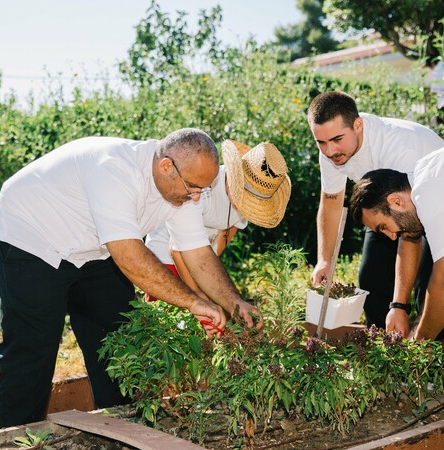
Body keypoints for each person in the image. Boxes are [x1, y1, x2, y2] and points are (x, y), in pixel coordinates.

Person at [0, 128, 263, 429]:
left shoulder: (181, 191)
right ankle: (9, 438)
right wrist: (193, 302)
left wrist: (235, 303)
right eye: (192, 187)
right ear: (166, 167)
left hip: (90, 249)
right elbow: (130, 258)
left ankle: (119, 430)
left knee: (120, 341)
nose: (196, 197)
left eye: (202, 189)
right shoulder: (114, 171)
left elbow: (199, 254)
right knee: (32, 354)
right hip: (30, 237)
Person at [307, 90, 443, 335]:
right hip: (384, 208)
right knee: (371, 281)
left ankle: (427, 356)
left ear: (358, 125)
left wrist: (400, 305)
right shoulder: (331, 149)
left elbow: (408, 232)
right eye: (321, 142)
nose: (329, 151)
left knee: (429, 291)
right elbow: (330, 201)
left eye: (337, 139)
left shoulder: (399, 149)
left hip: (427, 207)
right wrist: (325, 259)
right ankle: (387, 349)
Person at [145, 140, 291, 301]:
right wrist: (197, 295)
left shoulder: (249, 200)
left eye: (252, 200)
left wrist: (206, 280)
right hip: (166, 257)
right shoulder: (202, 188)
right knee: (169, 316)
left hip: (197, 259)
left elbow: (225, 235)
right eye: (246, 197)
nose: (246, 204)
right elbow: (176, 248)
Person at [348, 147, 444, 340]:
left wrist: (420, 343)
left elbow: (442, 281)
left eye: (383, 226)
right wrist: (398, 306)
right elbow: (409, 238)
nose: (391, 236)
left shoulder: (427, 195)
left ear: (396, 201)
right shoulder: (419, 177)